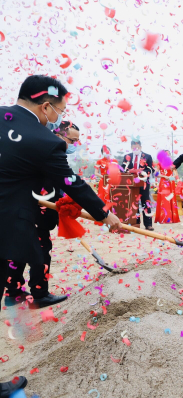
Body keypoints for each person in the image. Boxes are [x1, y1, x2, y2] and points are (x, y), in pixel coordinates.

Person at [0, 75, 121, 397]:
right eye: (59, 111)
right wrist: (105, 214)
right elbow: (71, 182)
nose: (57, 118)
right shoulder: (44, 140)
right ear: (45, 106)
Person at [5, 121, 82, 307]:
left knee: (20, 251)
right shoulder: (48, 152)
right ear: (58, 135)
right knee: (40, 252)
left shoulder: (43, 150)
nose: (74, 145)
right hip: (34, 212)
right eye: (72, 140)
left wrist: (64, 201)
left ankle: (13, 292)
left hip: (26, 211)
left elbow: (58, 183)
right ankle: (39, 294)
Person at [121, 138, 154, 230]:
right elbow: (123, 168)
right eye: (134, 147)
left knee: (145, 202)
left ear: (140, 147)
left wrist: (142, 172)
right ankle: (136, 222)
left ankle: (148, 224)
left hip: (143, 183)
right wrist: (127, 171)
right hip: (131, 184)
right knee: (133, 203)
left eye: (137, 147)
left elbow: (150, 169)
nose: (136, 149)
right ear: (131, 147)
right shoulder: (127, 156)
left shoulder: (147, 156)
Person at [155, 150, 180, 224]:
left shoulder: (172, 163)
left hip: (171, 182)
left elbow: (175, 174)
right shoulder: (159, 164)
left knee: (171, 199)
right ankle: (165, 218)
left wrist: (173, 178)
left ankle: (172, 218)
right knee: (164, 199)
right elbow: (156, 174)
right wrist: (164, 176)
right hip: (163, 182)